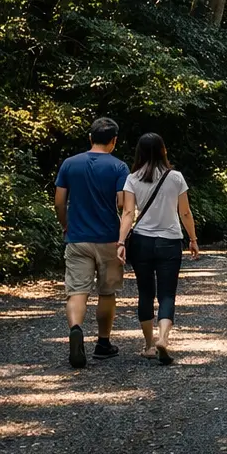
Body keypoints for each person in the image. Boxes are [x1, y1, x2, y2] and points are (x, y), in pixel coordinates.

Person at [54, 117, 130, 368]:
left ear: (90, 137)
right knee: (107, 292)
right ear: (114, 141)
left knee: (77, 291)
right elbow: (121, 203)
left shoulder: (69, 164)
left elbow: (59, 201)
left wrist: (66, 225)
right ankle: (103, 343)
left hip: (77, 238)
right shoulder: (119, 167)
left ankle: (76, 329)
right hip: (109, 238)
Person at [116, 133, 198, 366]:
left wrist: (121, 242)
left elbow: (128, 213)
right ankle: (163, 338)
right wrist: (192, 238)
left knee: (145, 292)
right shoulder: (176, 177)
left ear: (139, 152)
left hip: (142, 241)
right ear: (163, 150)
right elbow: (185, 212)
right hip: (170, 241)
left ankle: (149, 345)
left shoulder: (132, 179)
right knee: (167, 293)